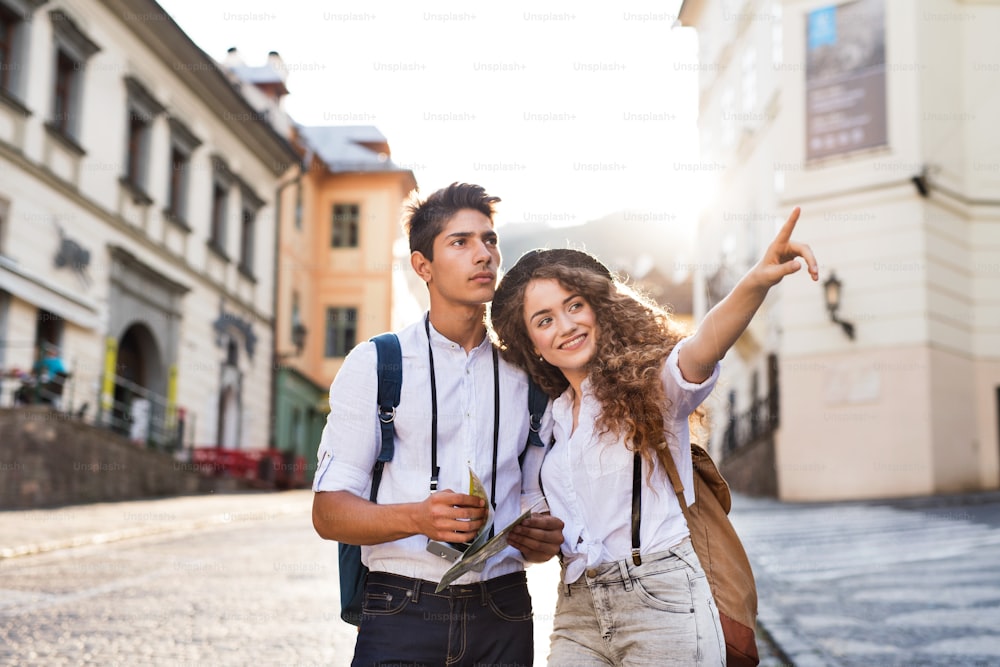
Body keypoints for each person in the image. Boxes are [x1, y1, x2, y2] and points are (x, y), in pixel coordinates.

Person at [489, 208, 818, 666]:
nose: (565, 326)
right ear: (531, 344)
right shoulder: (549, 421)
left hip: (661, 592)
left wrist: (757, 281)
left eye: (574, 305)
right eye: (543, 320)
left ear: (599, 309)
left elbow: (701, 350)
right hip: (577, 606)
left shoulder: (650, 386)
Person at [311, 182, 565, 667]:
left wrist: (542, 536)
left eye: (489, 240)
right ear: (422, 266)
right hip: (400, 607)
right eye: (460, 242)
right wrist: (417, 517)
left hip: (504, 610)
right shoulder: (377, 364)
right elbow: (328, 513)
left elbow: (536, 500)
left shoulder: (532, 374)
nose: (483, 255)